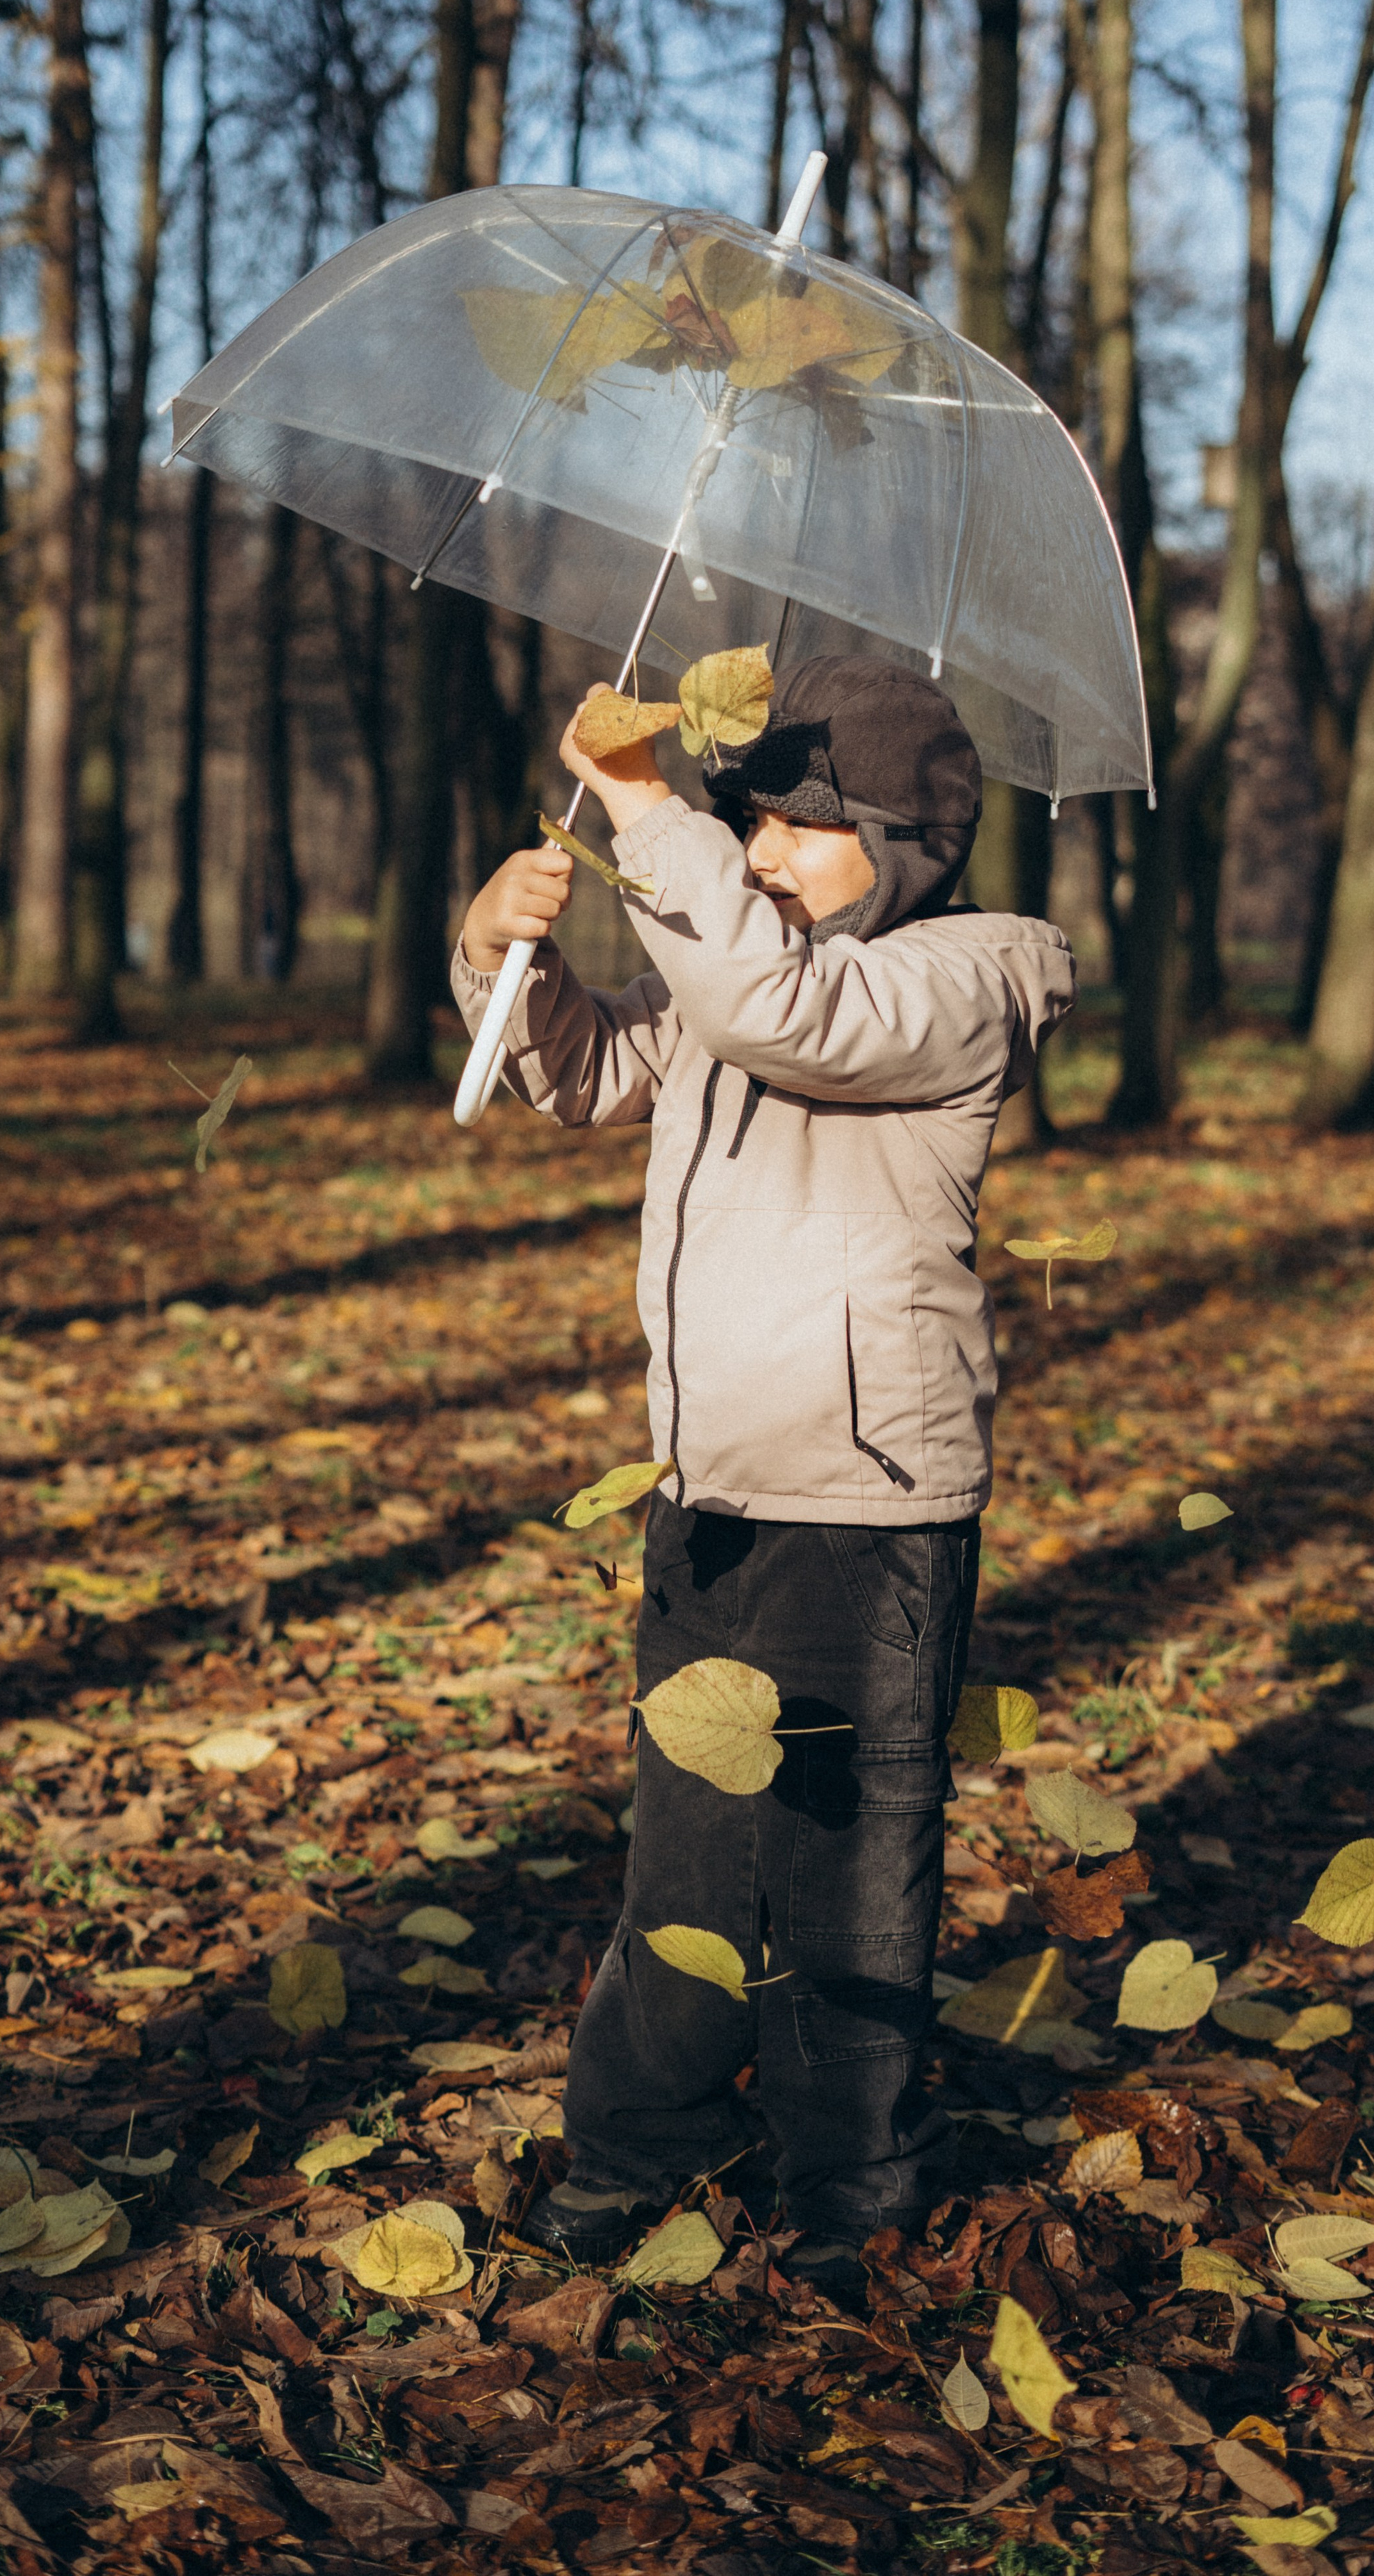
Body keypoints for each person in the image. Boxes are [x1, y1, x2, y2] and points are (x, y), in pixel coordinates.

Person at [452, 654, 1075, 2306]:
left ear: (907, 843)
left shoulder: (961, 980)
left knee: (843, 1864)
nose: (764, 851)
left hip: (866, 1508)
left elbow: (780, 1017)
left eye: (803, 824)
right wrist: (502, 955)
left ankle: (843, 2177)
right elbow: (595, 1072)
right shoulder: (755, 974)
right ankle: (636, 2149)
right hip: (708, 1486)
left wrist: (648, 808)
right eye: (753, 816)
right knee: (685, 1850)